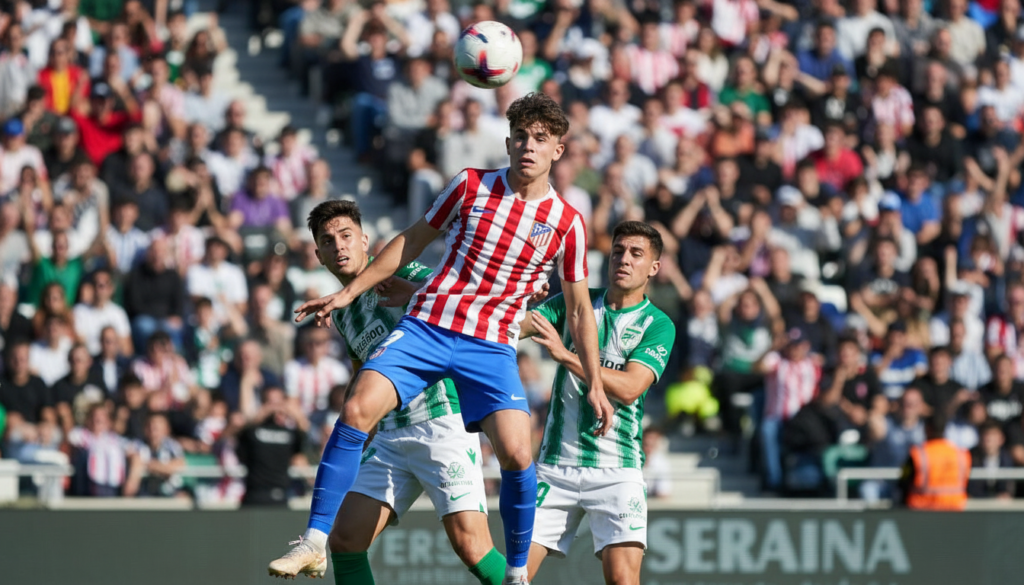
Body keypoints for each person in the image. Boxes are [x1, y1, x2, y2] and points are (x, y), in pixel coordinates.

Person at [277, 93, 606, 585]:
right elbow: (411, 239)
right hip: (428, 328)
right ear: (508, 140)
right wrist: (349, 294)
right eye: (520, 137)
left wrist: (595, 382)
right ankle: (313, 541)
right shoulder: (471, 185)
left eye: (540, 139)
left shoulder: (566, 223)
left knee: (517, 457)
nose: (528, 147)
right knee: (355, 410)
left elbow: (580, 308)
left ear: (558, 149)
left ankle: (517, 574)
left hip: (484, 353)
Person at [270, 200, 506, 584]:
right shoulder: (343, 312)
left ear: (365, 240)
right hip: (392, 439)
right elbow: (361, 375)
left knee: (472, 547)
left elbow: (461, 304)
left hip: (440, 423)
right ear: (318, 256)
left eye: (346, 236)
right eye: (328, 242)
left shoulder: (402, 268)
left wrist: (413, 292)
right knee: (345, 540)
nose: (339, 246)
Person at [521, 221, 676, 584]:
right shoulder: (575, 304)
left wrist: (566, 356)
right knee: (513, 576)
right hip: (556, 466)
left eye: (636, 254)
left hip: (617, 469)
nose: (624, 259)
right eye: (619, 251)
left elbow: (629, 388)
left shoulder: (658, 324)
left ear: (654, 267)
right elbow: (515, 324)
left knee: (623, 580)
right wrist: (517, 295)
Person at [235, 386, 309, 507]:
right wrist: (263, 412)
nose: (275, 409)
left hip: (281, 495)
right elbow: (241, 431)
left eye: (278, 403)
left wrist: (291, 410)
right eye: (270, 403)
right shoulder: (253, 430)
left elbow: (305, 434)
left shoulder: (290, 433)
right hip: (255, 495)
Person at [900, 413, 971, 510]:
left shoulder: (917, 454)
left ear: (927, 429)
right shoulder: (961, 454)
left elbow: (903, 482)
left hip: (922, 512)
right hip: (954, 512)